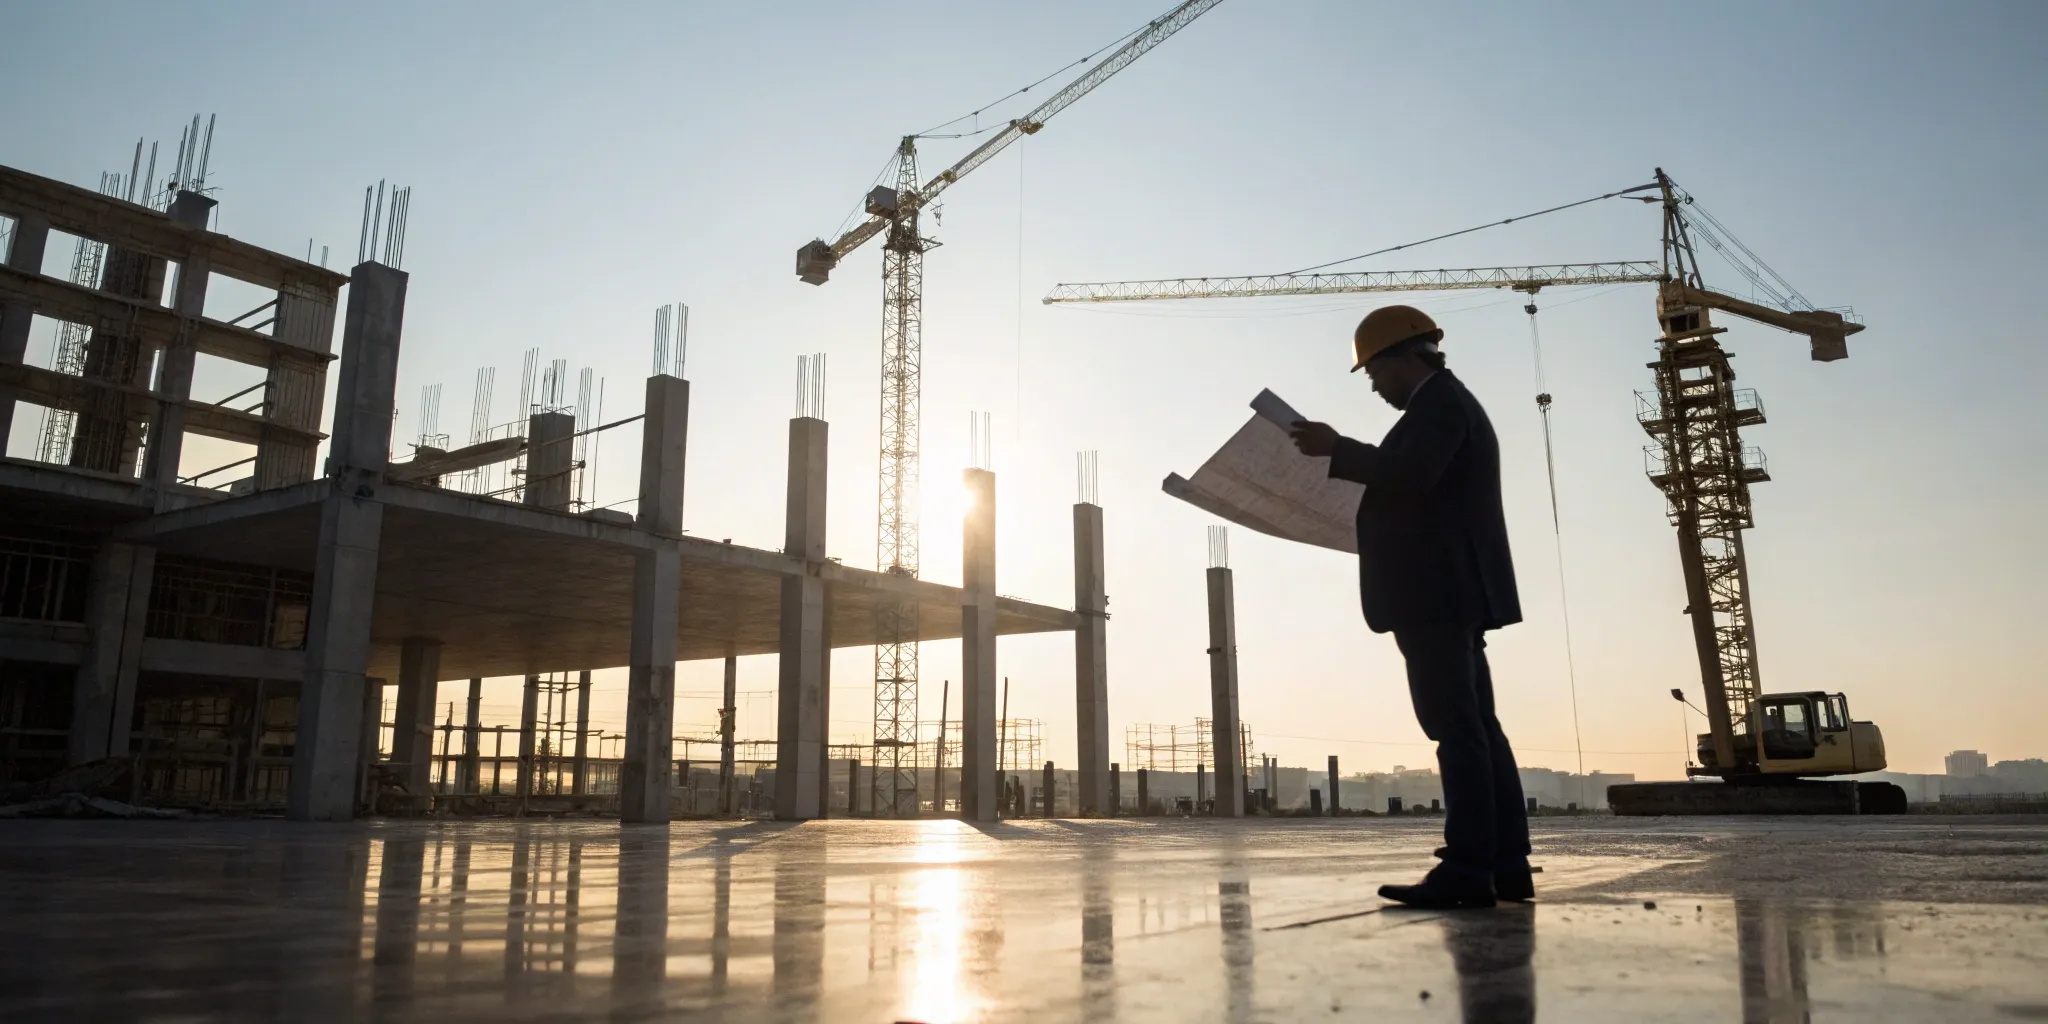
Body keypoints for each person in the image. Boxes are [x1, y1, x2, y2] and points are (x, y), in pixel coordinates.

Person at [1289, 304, 1532, 910]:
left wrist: (1335, 448)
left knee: (1457, 730)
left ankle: (1469, 870)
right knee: (1478, 729)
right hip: (1450, 590)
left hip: (1436, 593)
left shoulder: (1441, 405)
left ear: (1403, 358)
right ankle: (1504, 865)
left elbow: (1410, 473)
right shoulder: (1448, 404)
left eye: (1374, 372)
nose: (1373, 385)